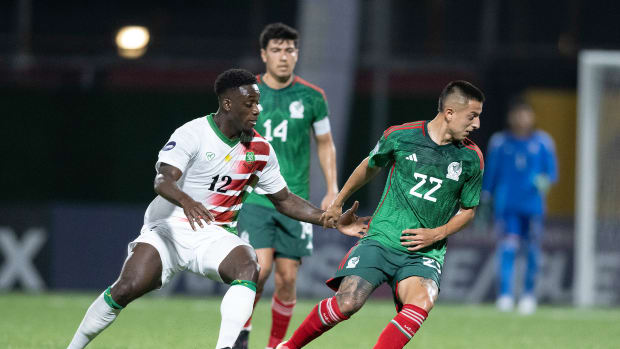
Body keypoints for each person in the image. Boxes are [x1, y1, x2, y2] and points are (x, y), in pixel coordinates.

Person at [66, 68, 367, 349]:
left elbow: (285, 200)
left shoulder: (260, 150)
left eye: (258, 103)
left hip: (215, 234)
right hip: (168, 231)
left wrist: (330, 220)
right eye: (249, 103)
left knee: (249, 265)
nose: (257, 110)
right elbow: (162, 180)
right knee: (125, 288)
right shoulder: (193, 133)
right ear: (227, 104)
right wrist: (187, 200)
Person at [277, 81, 486, 349]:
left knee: (424, 300)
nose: (477, 124)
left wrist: (437, 233)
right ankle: (289, 346)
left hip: (425, 252)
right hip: (382, 239)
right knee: (348, 302)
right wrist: (338, 202)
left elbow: (469, 210)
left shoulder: (471, 158)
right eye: (472, 116)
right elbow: (370, 165)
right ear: (449, 112)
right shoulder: (401, 136)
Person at [233, 23, 339, 349]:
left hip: (296, 199)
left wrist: (333, 187)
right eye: (276, 50)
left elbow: (324, 142)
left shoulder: (312, 97)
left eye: (290, 50)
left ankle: (275, 345)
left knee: (287, 278)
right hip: (255, 197)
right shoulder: (245, 94)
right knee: (259, 269)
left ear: (297, 54)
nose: (284, 56)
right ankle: (241, 336)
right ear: (264, 55)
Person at [482, 99, 558, 315]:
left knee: (532, 251)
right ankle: (505, 295)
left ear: (532, 117)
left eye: (525, 114)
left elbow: (551, 173)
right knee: (507, 249)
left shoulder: (543, 142)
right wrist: (485, 197)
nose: (521, 119)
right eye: (517, 114)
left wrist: (544, 182)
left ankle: (528, 295)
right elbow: (491, 173)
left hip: (533, 207)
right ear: (510, 117)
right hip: (507, 207)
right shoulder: (500, 142)